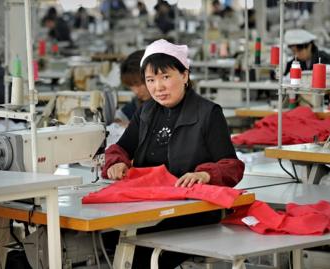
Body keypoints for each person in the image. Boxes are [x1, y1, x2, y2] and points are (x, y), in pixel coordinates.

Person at [103, 39, 244, 268]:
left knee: (139, 258)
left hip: (194, 212)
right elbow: (120, 147)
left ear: (185, 75)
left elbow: (232, 166)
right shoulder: (146, 111)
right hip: (151, 206)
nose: (158, 87)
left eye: (165, 77)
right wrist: (116, 162)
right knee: (103, 239)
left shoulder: (208, 113)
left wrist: (204, 175)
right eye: (150, 80)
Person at [115, 50, 152, 126]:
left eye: (138, 85)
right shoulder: (139, 102)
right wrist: (118, 121)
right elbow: (121, 115)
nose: (136, 91)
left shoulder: (168, 104)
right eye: (131, 86)